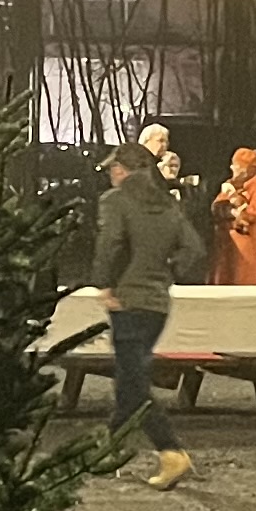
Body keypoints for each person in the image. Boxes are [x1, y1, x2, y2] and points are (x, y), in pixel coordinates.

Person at [84, 144, 195, 491]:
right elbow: (193, 249)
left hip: (127, 300)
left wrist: (103, 283)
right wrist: (166, 272)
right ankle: (108, 448)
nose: (110, 175)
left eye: (111, 169)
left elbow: (111, 243)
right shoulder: (168, 204)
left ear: (121, 169)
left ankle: (170, 451)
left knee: (132, 382)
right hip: (158, 303)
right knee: (129, 376)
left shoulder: (115, 201)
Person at [209, 144, 256, 288]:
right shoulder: (232, 185)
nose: (232, 169)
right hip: (226, 246)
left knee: (242, 283)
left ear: (246, 170)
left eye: (235, 165)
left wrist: (235, 205)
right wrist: (232, 212)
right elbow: (216, 208)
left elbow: (251, 216)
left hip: (245, 250)